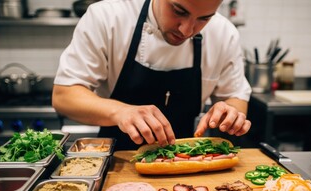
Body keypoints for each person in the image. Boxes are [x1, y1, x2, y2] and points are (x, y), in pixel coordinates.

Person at [52, 0, 252, 150]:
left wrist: (230, 112)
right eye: (178, 10)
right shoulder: (108, 17)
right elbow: (64, 96)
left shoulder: (224, 33)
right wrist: (120, 112)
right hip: (115, 159)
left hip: (183, 158)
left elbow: (234, 97)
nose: (187, 30)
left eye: (204, 18)